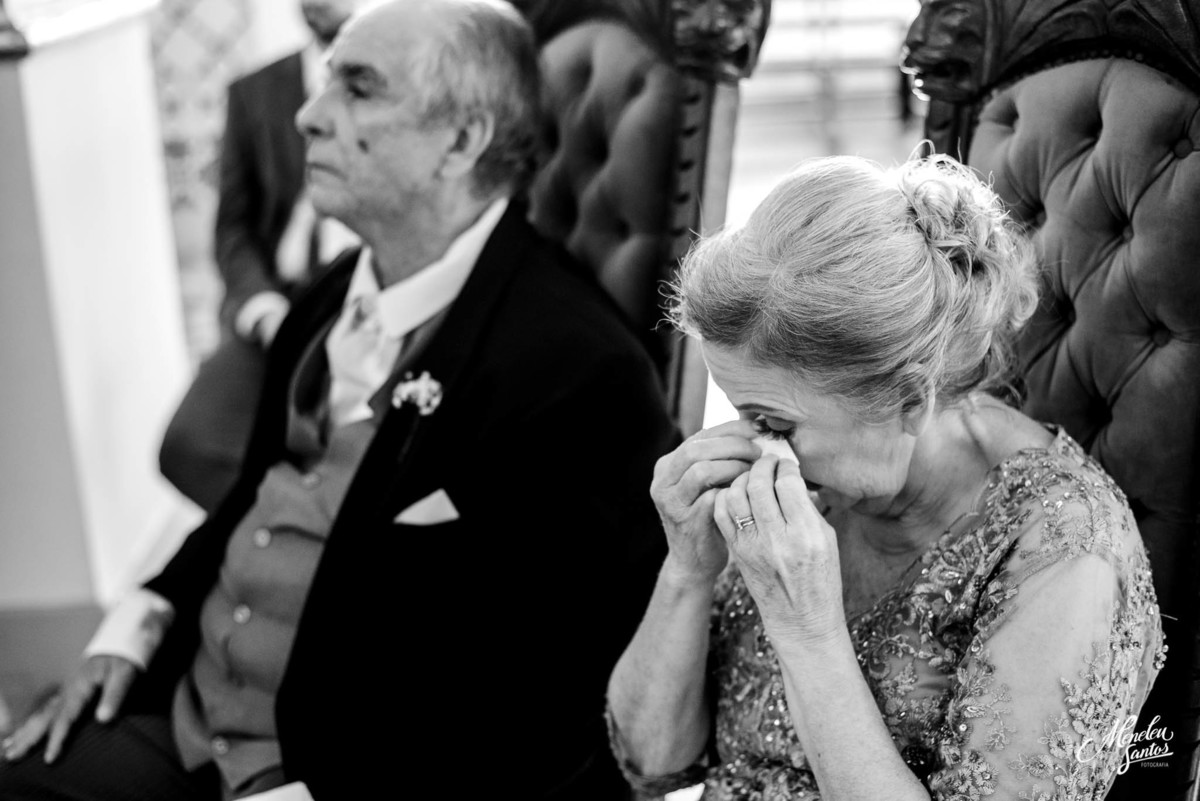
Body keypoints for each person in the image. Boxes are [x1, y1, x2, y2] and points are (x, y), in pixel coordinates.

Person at [0, 1, 676, 798]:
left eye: (358, 89)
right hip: (182, 718)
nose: (307, 116)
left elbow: (561, 687)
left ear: (461, 141)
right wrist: (133, 626)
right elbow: (249, 503)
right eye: (326, 84)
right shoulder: (326, 300)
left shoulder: (578, 368)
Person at [606, 154, 1165, 800]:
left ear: (907, 402)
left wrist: (808, 631)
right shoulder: (814, 486)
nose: (756, 447)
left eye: (772, 420)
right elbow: (651, 763)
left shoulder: (1066, 546)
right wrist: (687, 569)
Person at [159, 0, 363, 514]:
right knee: (190, 446)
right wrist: (262, 306)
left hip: (361, 293)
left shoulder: (405, 86)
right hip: (281, 303)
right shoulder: (254, 91)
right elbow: (233, 228)